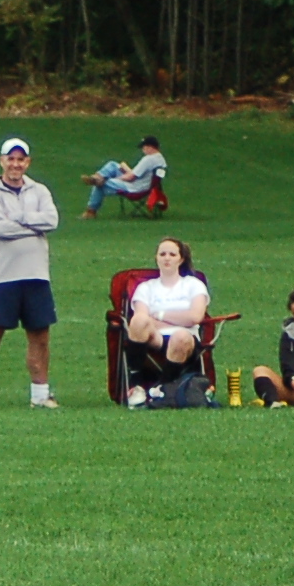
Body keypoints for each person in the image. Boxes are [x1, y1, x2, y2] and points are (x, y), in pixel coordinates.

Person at [0, 137, 59, 410]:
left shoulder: (39, 191)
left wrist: (18, 218)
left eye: (21, 159)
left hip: (36, 275)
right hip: (2, 275)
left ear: (27, 162)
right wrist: (33, 225)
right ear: (2, 161)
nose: (16, 164)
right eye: (11, 159)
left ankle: (40, 395)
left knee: (40, 336)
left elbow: (51, 220)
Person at [120, 236, 211, 406]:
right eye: (162, 254)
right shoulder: (146, 287)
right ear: (156, 258)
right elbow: (141, 318)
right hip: (155, 338)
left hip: (186, 339)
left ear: (181, 259)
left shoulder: (193, 284)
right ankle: (136, 385)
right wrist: (180, 318)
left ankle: (161, 388)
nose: (167, 258)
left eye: (172, 254)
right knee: (138, 321)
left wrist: (160, 315)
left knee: (180, 336)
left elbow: (195, 317)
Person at [83, 136, 168, 216]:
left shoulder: (148, 160)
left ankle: (91, 211)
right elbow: (136, 174)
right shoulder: (161, 159)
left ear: (150, 147)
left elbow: (131, 178)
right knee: (113, 165)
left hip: (134, 187)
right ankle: (97, 178)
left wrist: (115, 179)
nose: (143, 150)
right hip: (142, 184)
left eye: (143, 147)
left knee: (100, 184)